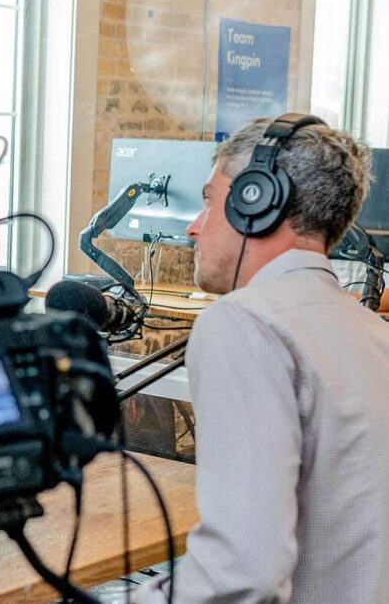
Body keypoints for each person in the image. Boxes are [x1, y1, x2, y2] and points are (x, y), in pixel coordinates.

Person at [136, 114, 389, 604]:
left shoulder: (245, 322)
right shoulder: (374, 333)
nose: (193, 227)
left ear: (256, 200)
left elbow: (241, 572)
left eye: (209, 202)